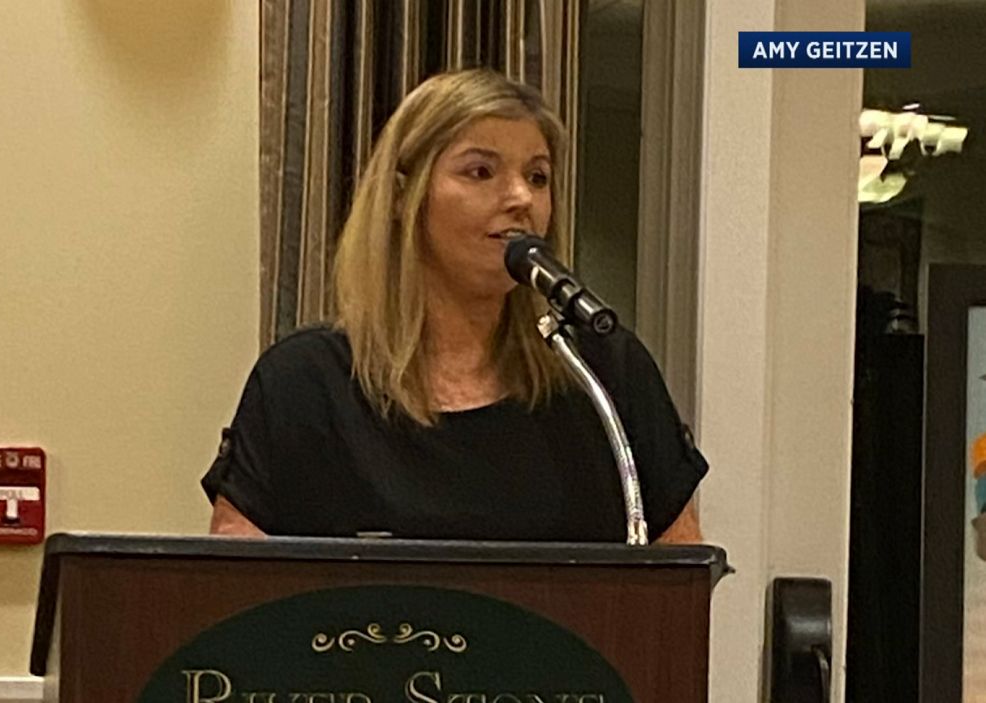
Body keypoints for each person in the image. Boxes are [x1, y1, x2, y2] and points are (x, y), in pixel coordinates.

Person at [202, 69, 706, 543]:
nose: (520, 198)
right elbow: (234, 584)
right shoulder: (303, 385)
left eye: (537, 177)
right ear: (403, 197)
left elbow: (679, 575)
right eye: (481, 171)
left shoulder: (602, 373)